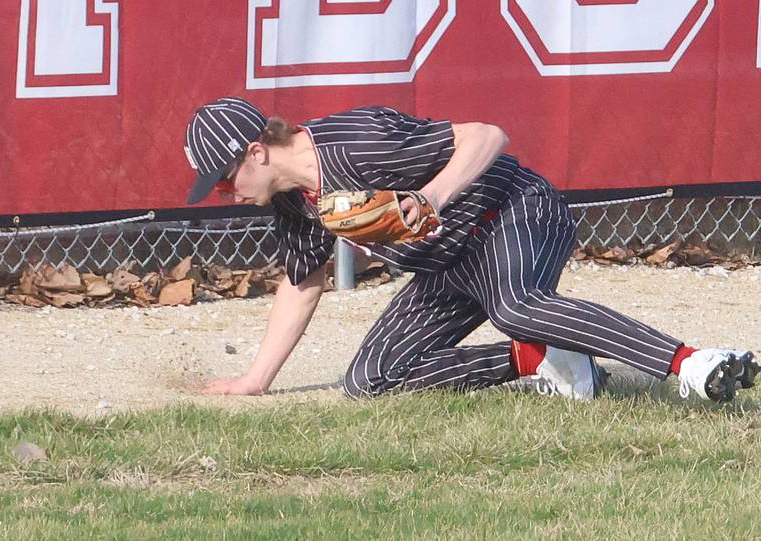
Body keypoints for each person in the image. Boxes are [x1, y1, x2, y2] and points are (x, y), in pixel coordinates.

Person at [182, 96, 756, 403]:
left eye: (224, 179)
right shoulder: (294, 198)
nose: (225, 192)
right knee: (370, 380)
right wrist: (256, 379)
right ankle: (543, 361)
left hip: (515, 212)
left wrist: (432, 195)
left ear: (256, 151)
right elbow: (303, 281)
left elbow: (488, 135)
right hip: (451, 264)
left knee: (515, 307)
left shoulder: (356, 143)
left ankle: (692, 363)